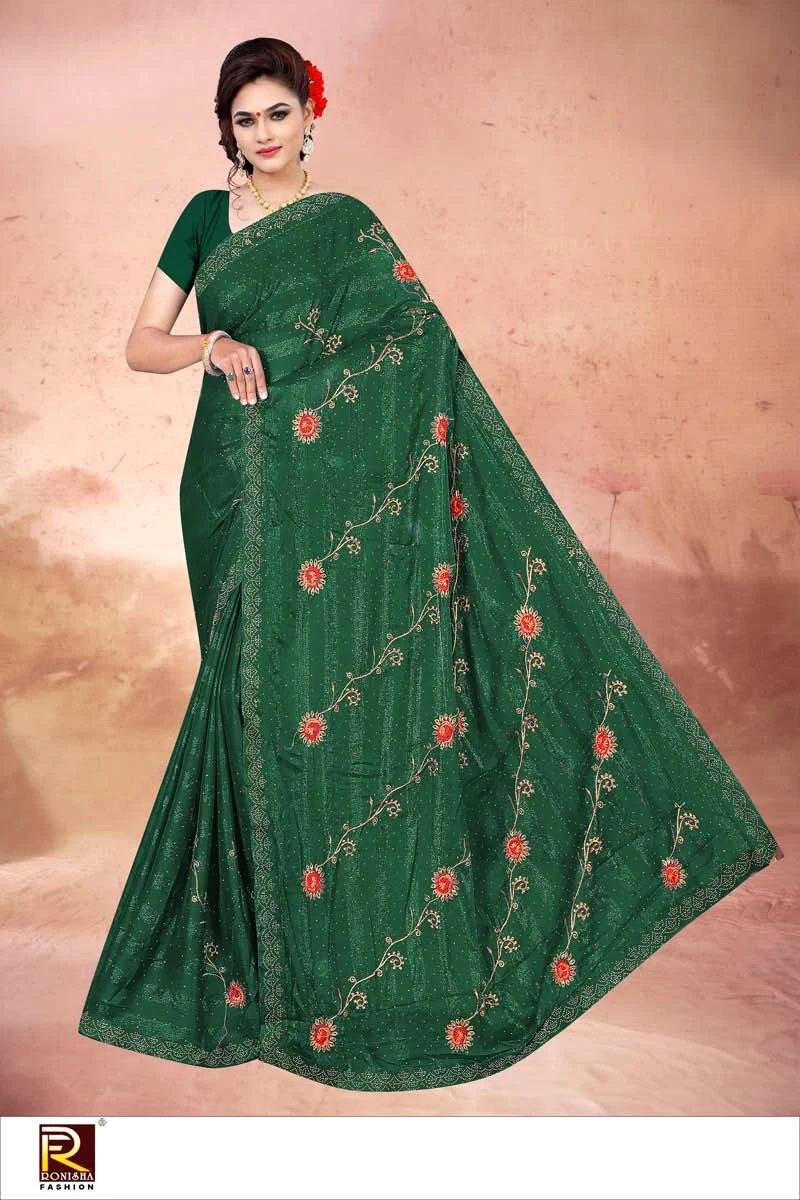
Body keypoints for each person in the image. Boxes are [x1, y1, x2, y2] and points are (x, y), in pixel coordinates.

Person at [77, 36, 782, 1092]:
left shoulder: (350, 224)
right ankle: (265, 977)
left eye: (277, 113)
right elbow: (141, 344)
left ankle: (363, 968)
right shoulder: (201, 219)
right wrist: (209, 348)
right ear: (225, 128)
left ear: (311, 115)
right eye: (244, 118)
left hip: (352, 495)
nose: (262, 134)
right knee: (257, 708)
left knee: (359, 710)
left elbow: (415, 348)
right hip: (242, 487)